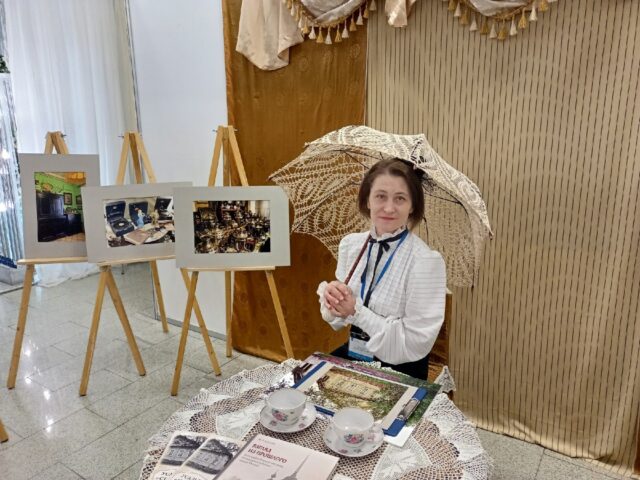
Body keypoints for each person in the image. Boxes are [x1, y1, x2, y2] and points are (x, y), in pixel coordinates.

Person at [317, 158, 446, 379]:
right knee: (301, 388)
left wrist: (356, 312)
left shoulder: (425, 261)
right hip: (357, 353)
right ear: (367, 200)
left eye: (400, 198)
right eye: (380, 196)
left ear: (412, 206)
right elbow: (337, 321)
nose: (388, 208)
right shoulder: (351, 245)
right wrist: (333, 300)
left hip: (401, 367)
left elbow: (414, 342)